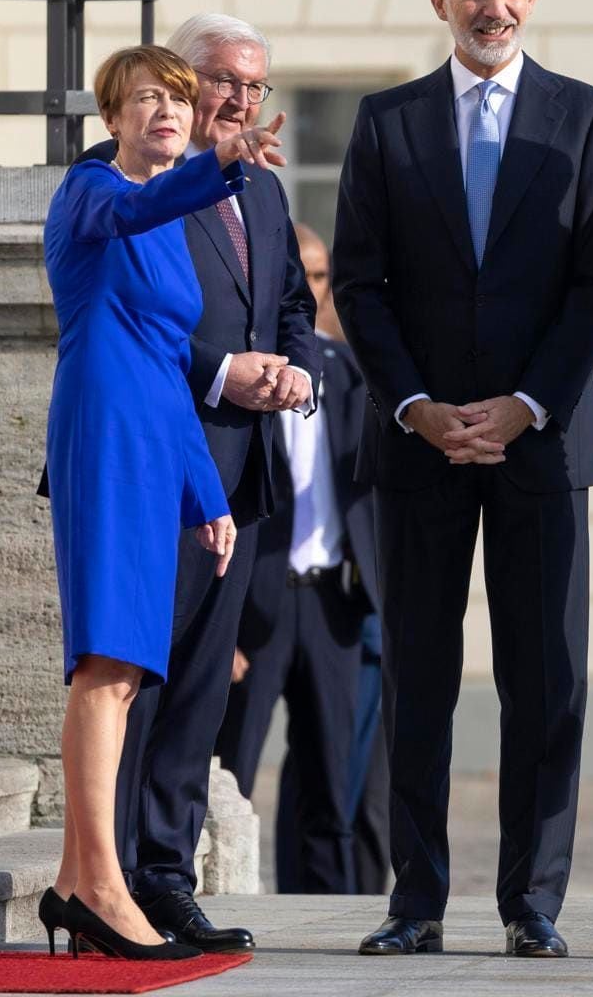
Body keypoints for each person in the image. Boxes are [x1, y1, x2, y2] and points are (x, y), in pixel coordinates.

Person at [332, 0, 593, 958]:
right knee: (417, 675)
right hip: (416, 445)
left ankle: (532, 902)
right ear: (440, 3)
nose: (491, 8)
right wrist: (414, 405)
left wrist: (526, 405)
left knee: (545, 679)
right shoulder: (386, 121)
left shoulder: (587, 118)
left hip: (541, 446)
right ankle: (415, 901)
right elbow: (358, 283)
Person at [39, 44, 286, 960]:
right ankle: (102, 884)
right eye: (147, 99)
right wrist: (221, 167)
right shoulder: (95, 189)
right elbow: (147, 203)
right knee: (108, 661)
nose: (168, 113)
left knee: (131, 665)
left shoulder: (165, 214)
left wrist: (207, 493)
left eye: (179, 100)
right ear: (111, 117)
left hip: (157, 436)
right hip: (103, 431)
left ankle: (74, 881)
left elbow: (169, 359)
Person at [82, 15, 321, 953]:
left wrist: (293, 368)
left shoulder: (256, 187)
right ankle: (108, 877)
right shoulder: (140, 179)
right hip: (157, 463)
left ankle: (166, 875)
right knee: (137, 672)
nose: (238, 100)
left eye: (254, 86)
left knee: (199, 697)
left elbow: (294, 300)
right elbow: (133, 322)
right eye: (221, 79)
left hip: (240, 468)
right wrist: (225, 371)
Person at [215, 223, 387, 895]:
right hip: (253, 607)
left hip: (333, 605)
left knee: (330, 780)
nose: (310, 294)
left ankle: (323, 920)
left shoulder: (351, 373)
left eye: (319, 279)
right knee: (230, 771)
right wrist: (218, 622)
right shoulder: (231, 375)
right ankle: (209, 897)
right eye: (298, 278)